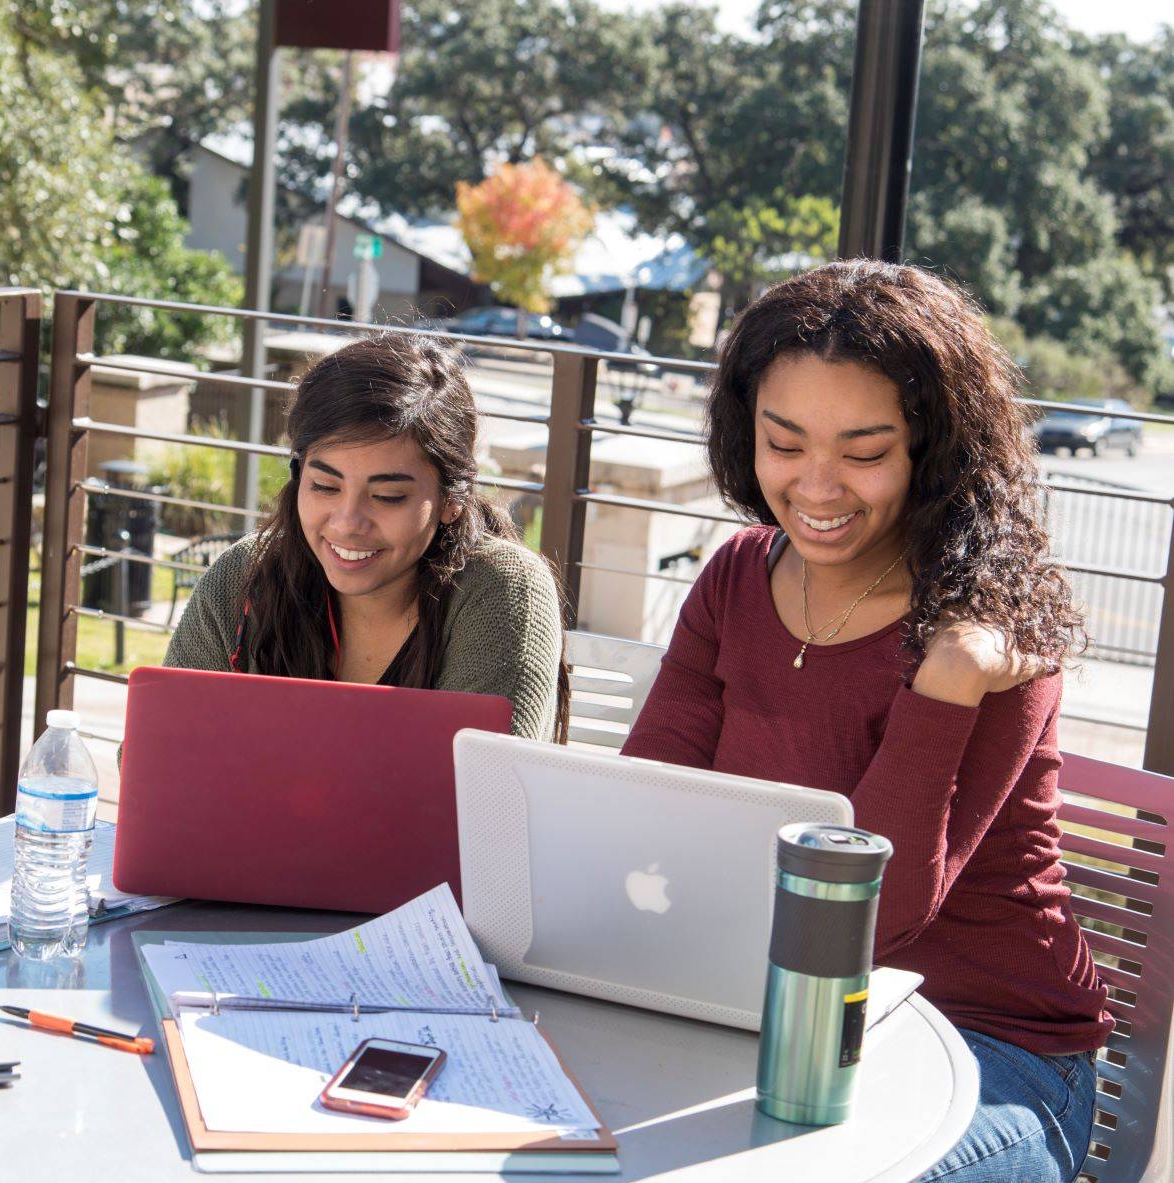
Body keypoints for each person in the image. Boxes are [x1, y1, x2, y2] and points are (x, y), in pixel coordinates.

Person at [623, 260, 1107, 1182]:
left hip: (997, 1053)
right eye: (784, 440)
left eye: (864, 449)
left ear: (934, 445)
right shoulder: (735, 578)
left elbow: (877, 921)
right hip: (763, 1015)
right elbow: (649, 810)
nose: (817, 483)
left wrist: (951, 681)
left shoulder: (995, 626)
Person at [165, 333, 566, 741]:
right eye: (324, 485)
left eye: (387, 496)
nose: (348, 522)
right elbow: (157, 756)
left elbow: (489, 792)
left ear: (452, 499)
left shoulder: (503, 587)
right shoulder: (245, 576)